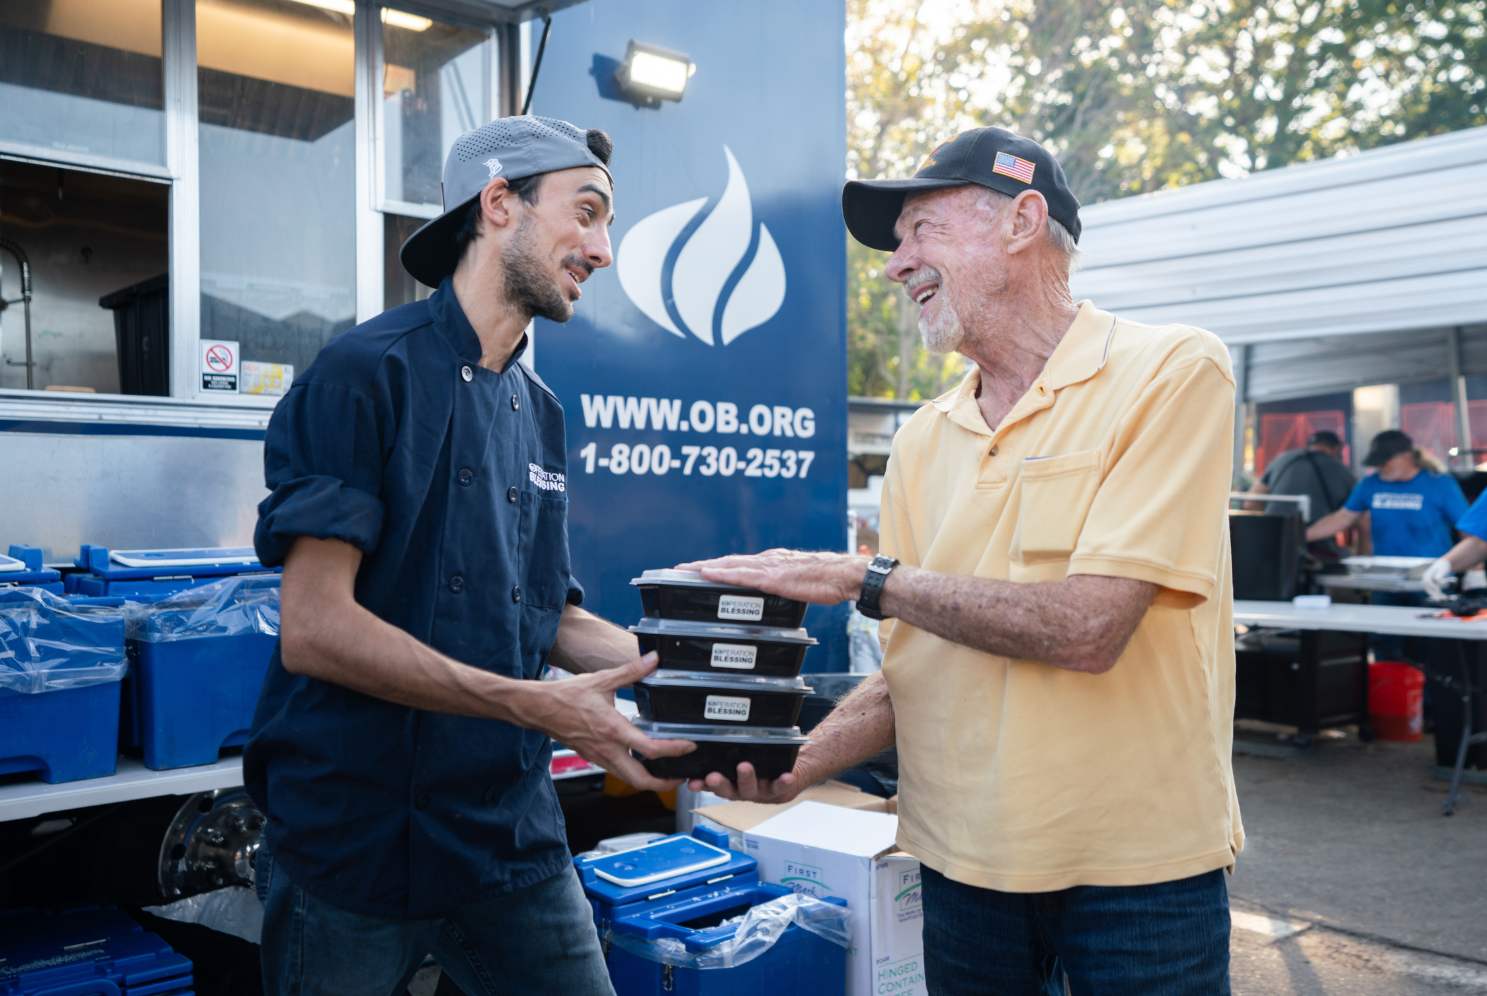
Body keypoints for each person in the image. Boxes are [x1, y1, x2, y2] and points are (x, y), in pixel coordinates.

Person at [680, 127, 1241, 994]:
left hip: (1135, 874)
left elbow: (1090, 628)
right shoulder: (921, 437)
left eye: (919, 230)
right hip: (955, 866)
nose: (895, 264)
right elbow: (917, 671)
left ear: (1022, 220)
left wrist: (861, 579)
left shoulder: (1168, 371)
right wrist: (795, 766)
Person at [245, 116, 691, 996]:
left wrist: (697, 676)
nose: (603, 250)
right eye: (588, 213)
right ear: (498, 206)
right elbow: (316, 629)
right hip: (355, 844)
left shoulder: (542, 410)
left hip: (506, 838)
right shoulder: (361, 374)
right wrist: (538, 707)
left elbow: (549, 615)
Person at [1305, 430, 1467, 561]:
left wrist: (1475, 569)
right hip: (1384, 573)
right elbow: (1342, 517)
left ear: (1406, 457)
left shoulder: (1440, 485)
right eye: (1378, 462)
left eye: (1385, 461)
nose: (1381, 467)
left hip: (1429, 574)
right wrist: (1299, 536)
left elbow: (1466, 527)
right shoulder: (1370, 484)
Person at [1249, 430, 1355, 556]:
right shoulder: (1342, 471)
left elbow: (1251, 503)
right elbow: (1358, 517)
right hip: (1318, 547)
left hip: (1272, 539)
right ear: (1336, 449)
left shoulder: (1282, 460)